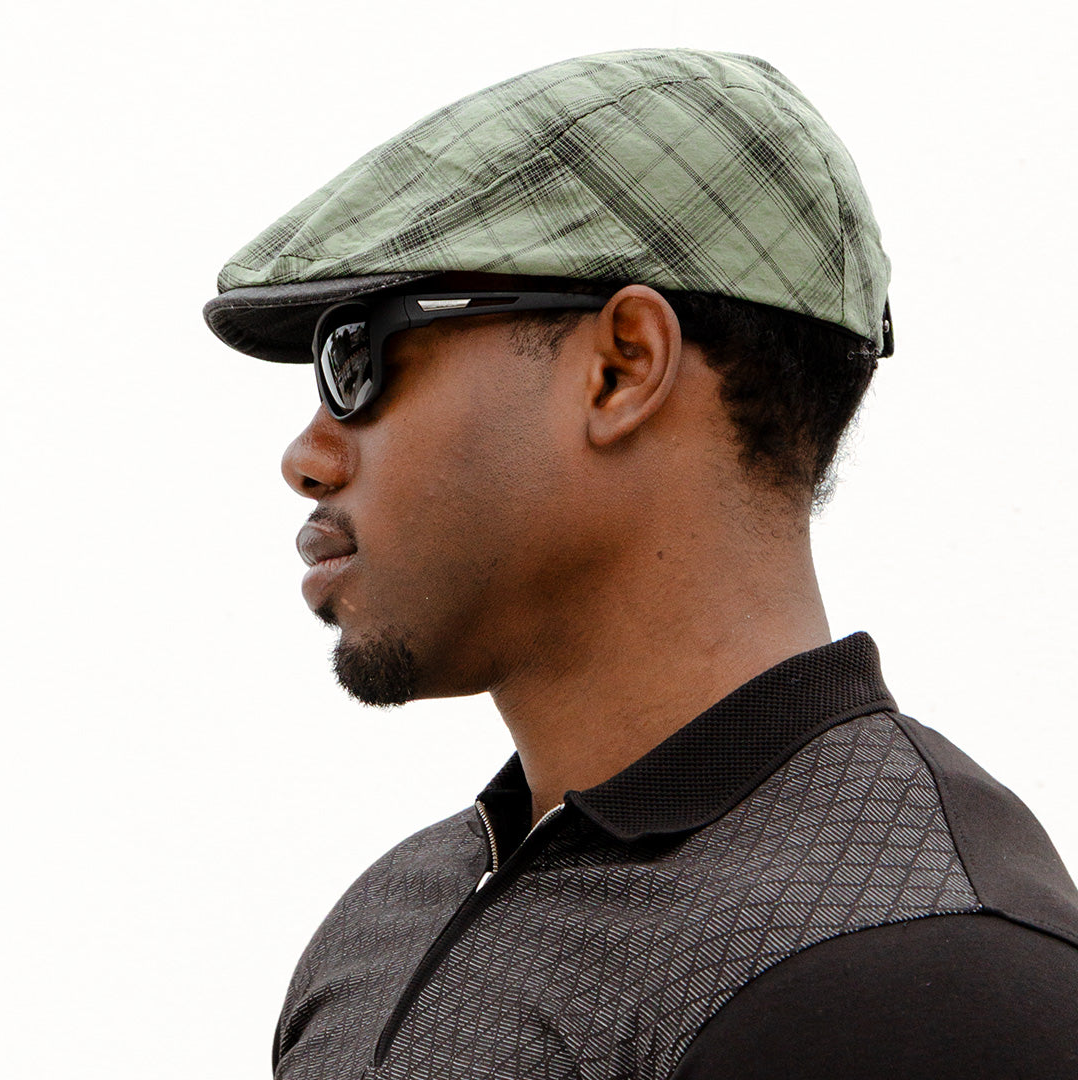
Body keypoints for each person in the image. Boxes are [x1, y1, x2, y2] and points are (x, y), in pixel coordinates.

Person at [203, 49, 1078, 1079]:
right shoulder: (386, 923)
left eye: (354, 359)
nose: (306, 457)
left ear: (623, 366)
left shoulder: (928, 966)